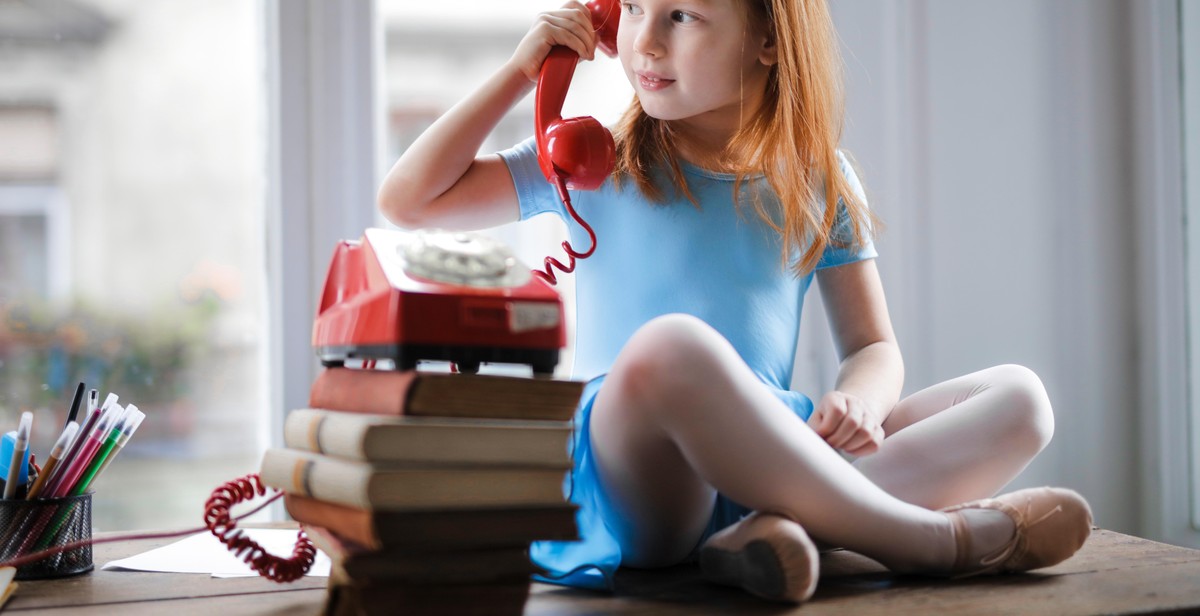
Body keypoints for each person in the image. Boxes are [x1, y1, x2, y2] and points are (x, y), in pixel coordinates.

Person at [377, 0, 1093, 604]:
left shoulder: (818, 180)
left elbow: (873, 348)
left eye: (682, 15)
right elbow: (408, 202)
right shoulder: (594, 159)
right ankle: (932, 540)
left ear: (769, 41)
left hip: (765, 459)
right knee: (670, 346)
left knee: (1022, 399)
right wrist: (518, 74)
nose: (645, 41)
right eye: (630, 8)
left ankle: (774, 533)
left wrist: (861, 400)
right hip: (639, 476)